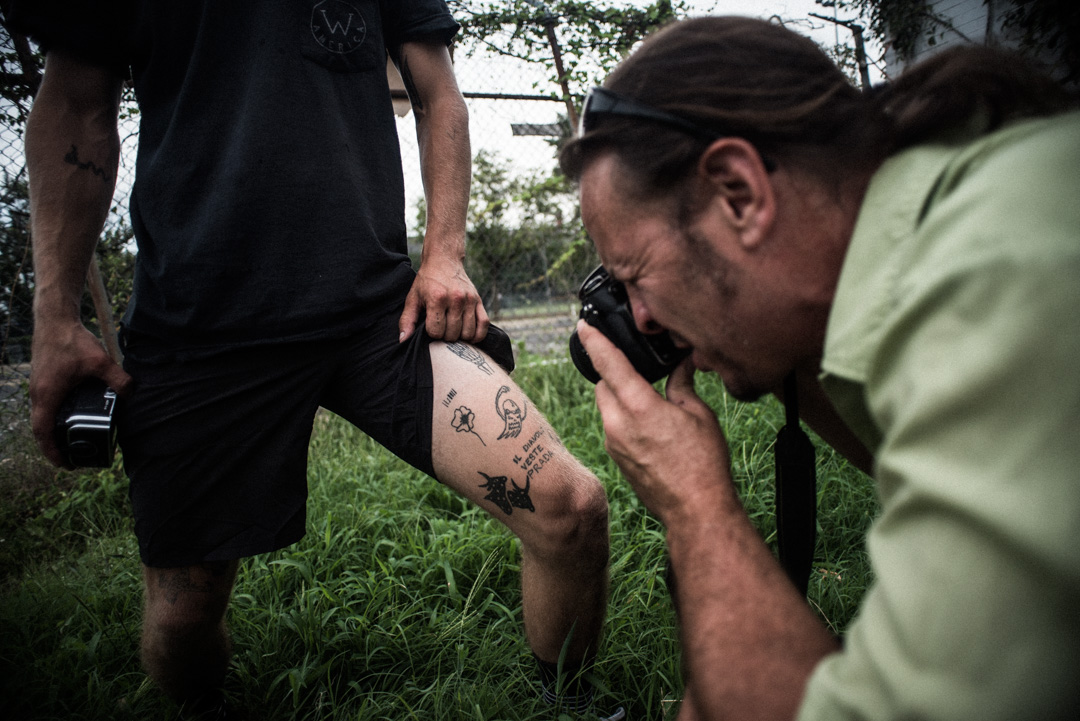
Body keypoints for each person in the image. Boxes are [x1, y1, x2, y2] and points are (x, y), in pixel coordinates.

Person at [12, 2, 621, 718]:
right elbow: (77, 104)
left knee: (570, 505)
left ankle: (572, 704)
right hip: (199, 329)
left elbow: (437, 93)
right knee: (181, 623)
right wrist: (54, 315)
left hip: (376, 312)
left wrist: (444, 256)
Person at [560, 15, 1080, 721]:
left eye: (635, 273)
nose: (642, 320)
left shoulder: (991, 292)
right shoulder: (959, 202)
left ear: (740, 192)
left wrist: (694, 503)